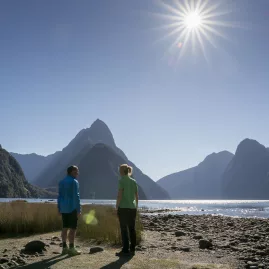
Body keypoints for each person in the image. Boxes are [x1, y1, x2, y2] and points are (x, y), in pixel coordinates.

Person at [57, 165, 81, 256]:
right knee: (73, 229)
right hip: (72, 208)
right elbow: (76, 197)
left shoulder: (61, 182)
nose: (77, 173)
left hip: (63, 208)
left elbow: (59, 196)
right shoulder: (74, 182)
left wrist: (59, 208)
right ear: (71, 172)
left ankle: (64, 248)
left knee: (64, 227)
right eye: (75, 172)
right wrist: (79, 209)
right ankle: (71, 248)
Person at [116, 164, 139, 256]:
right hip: (132, 207)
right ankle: (133, 248)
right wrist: (136, 206)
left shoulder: (121, 181)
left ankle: (125, 249)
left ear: (121, 171)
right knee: (132, 228)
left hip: (123, 208)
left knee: (124, 228)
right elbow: (136, 196)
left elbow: (120, 195)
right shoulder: (133, 181)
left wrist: (116, 206)